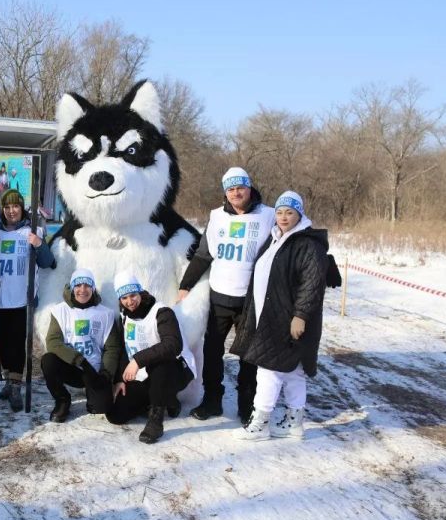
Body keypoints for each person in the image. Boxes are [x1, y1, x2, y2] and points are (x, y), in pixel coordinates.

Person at [178, 167, 276, 425]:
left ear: (249, 187)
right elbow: (203, 254)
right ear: (225, 192)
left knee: (249, 355)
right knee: (212, 352)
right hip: (220, 297)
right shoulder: (217, 217)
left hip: (251, 300)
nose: (236, 193)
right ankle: (212, 400)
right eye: (231, 189)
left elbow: (293, 242)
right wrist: (185, 285)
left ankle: (247, 403)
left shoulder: (268, 216)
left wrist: (322, 260)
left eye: (240, 187)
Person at [231, 191, 328, 441]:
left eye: (290, 212)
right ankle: (295, 423)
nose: (284, 217)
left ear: (300, 214)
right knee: (294, 371)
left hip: (287, 319)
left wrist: (301, 315)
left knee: (268, 370)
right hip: (269, 315)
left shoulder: (307, 244)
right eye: (280, 212)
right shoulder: (276, 238)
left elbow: (312, 284)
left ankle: (260, 424)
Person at [0, 188, 55, 411]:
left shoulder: (33, 231)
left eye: (15, 206)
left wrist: (39, 244)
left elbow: (47, 262)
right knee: (3, 342)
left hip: (22, 298)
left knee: (17, 342)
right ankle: (9, 377)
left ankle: (15, 384)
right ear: (2, 210)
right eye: (7, 207)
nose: (11, 211)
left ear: (22, 208)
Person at [109, 272, 195, 444]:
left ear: (140, 292)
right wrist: (119, 379)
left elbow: (173, 345)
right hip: (144, 376)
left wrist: (137, 360)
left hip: (175, 370)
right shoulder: (125, 316)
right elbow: (123, 349)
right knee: (116, 415)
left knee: (159, 364)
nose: (129, 301)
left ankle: (156, 420)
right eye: (124, 298)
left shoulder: (161, 312)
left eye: (133, 295)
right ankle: (166, 399)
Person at [41, 268, 121, 423]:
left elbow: (112, 348)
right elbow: (53, 341)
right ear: (72, 287)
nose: (82, 290)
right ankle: (62, 399)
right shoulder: (60, 311)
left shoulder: (105, 314)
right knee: (48, 360)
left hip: (95, 372)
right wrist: (80, 361)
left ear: (93, 288)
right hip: (73, 367)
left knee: (101, 408)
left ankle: (93, 395)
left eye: (87, 285)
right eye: (78, 285)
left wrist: (106, 374)